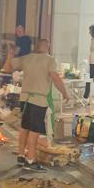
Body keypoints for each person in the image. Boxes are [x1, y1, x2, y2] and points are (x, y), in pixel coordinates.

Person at [12, 38, 69, 172]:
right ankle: (31, 160)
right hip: (38, 99)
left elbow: (11, 66)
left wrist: (10, 54)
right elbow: (55, 77)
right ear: (47, 47)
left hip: (25, 98)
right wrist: (65, 92)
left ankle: (21, 156)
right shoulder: (50, 60)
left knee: (24, 127)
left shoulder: (27, 58)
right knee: (35, 130)